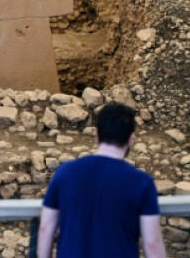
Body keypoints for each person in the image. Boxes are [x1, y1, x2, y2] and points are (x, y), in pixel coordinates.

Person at [37, 102, 166, 258]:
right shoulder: (142, 182)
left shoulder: (64, 173)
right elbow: (152, 244)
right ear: (131, 139)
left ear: (97, 135)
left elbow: (45, 229)